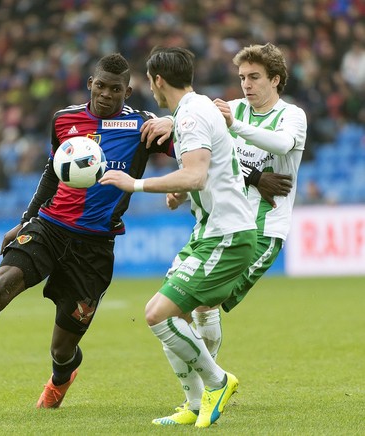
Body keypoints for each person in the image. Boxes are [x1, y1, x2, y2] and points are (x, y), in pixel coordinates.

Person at [0, 53, 174, 408]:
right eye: (100, 86)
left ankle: (61, 377)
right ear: (90, 84)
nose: (106, 94)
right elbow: (53, 173)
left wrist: (175, 125)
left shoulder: (144, 128)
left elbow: (197, 154)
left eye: (116, 89)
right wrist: (25, 219)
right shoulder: (64, 119)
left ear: (127, 91)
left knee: (62, 347)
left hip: (94, 247)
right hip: (49, 228)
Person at [99, 46, 257, 428]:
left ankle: (217, 382)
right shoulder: (195, 108)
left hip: (227, 234)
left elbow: (196, 174)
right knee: (175, 317)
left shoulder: (189, 117)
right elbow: (213, 166)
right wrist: (184, 190)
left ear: (156, 80)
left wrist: (134, 183)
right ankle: (191, 402)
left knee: (157, 316)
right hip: (211, 232)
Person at [190, 42, 307, 390]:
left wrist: (233, 127)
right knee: (198, 303)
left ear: (275, 79)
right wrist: (255, 177)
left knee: (204, 300)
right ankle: (212, 385)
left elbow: (282, 145)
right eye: (242, 77)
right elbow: (210, 159)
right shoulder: (234, 109)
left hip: (264, 228)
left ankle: (210, 386)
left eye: (255, 77)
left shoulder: (292, 115)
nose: (247, 85)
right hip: (224, 224)